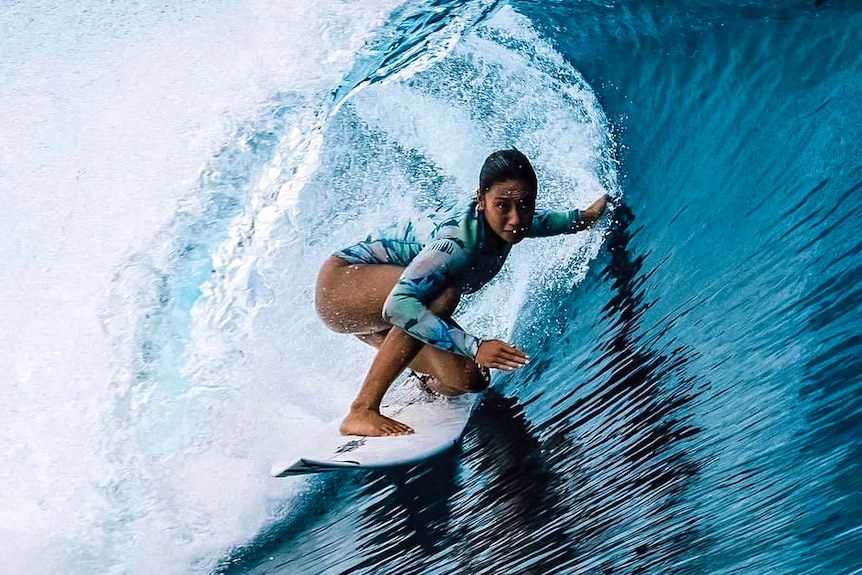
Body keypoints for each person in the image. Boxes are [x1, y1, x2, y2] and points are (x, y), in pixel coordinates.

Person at [315, 149, 611, 437]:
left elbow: (544, 221)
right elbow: (400, 306)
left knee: (469, 380)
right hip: (343, 286)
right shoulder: (456, 243)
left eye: (525, 204)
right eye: (502, 205)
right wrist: (475, 346)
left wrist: (585, 216)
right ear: (481, 199)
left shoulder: (509, 221)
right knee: (442, 295)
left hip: (381, 307)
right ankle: (362, 409)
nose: (515, 219)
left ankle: (414, 371)